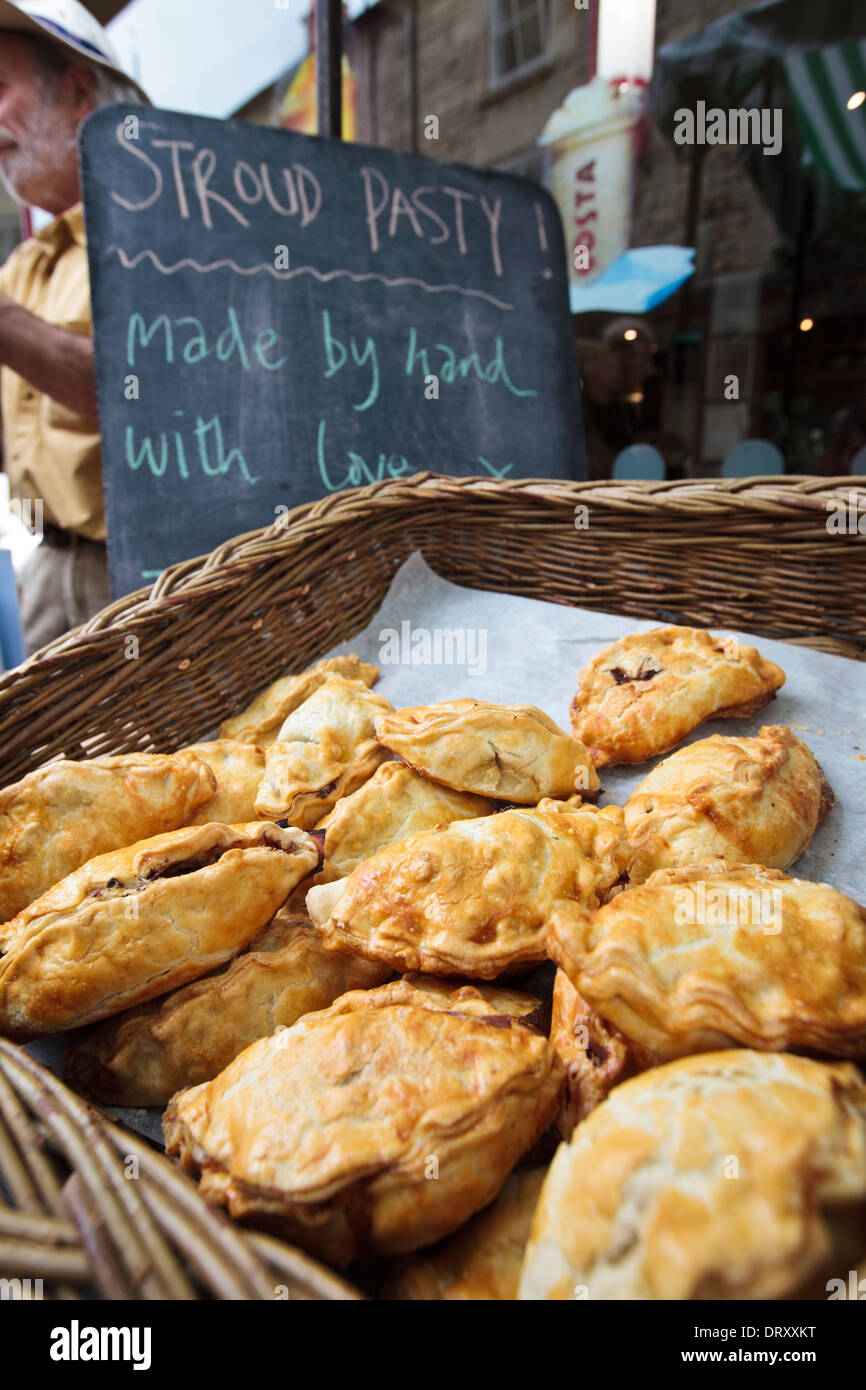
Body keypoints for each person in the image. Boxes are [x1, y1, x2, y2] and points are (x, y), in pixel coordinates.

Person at [0, 0, 147, 654]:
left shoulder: (157, 231)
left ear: (80, 92)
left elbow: (143, 388)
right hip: (48, 564)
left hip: (135, 574)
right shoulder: (26, 263)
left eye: (0, 90)